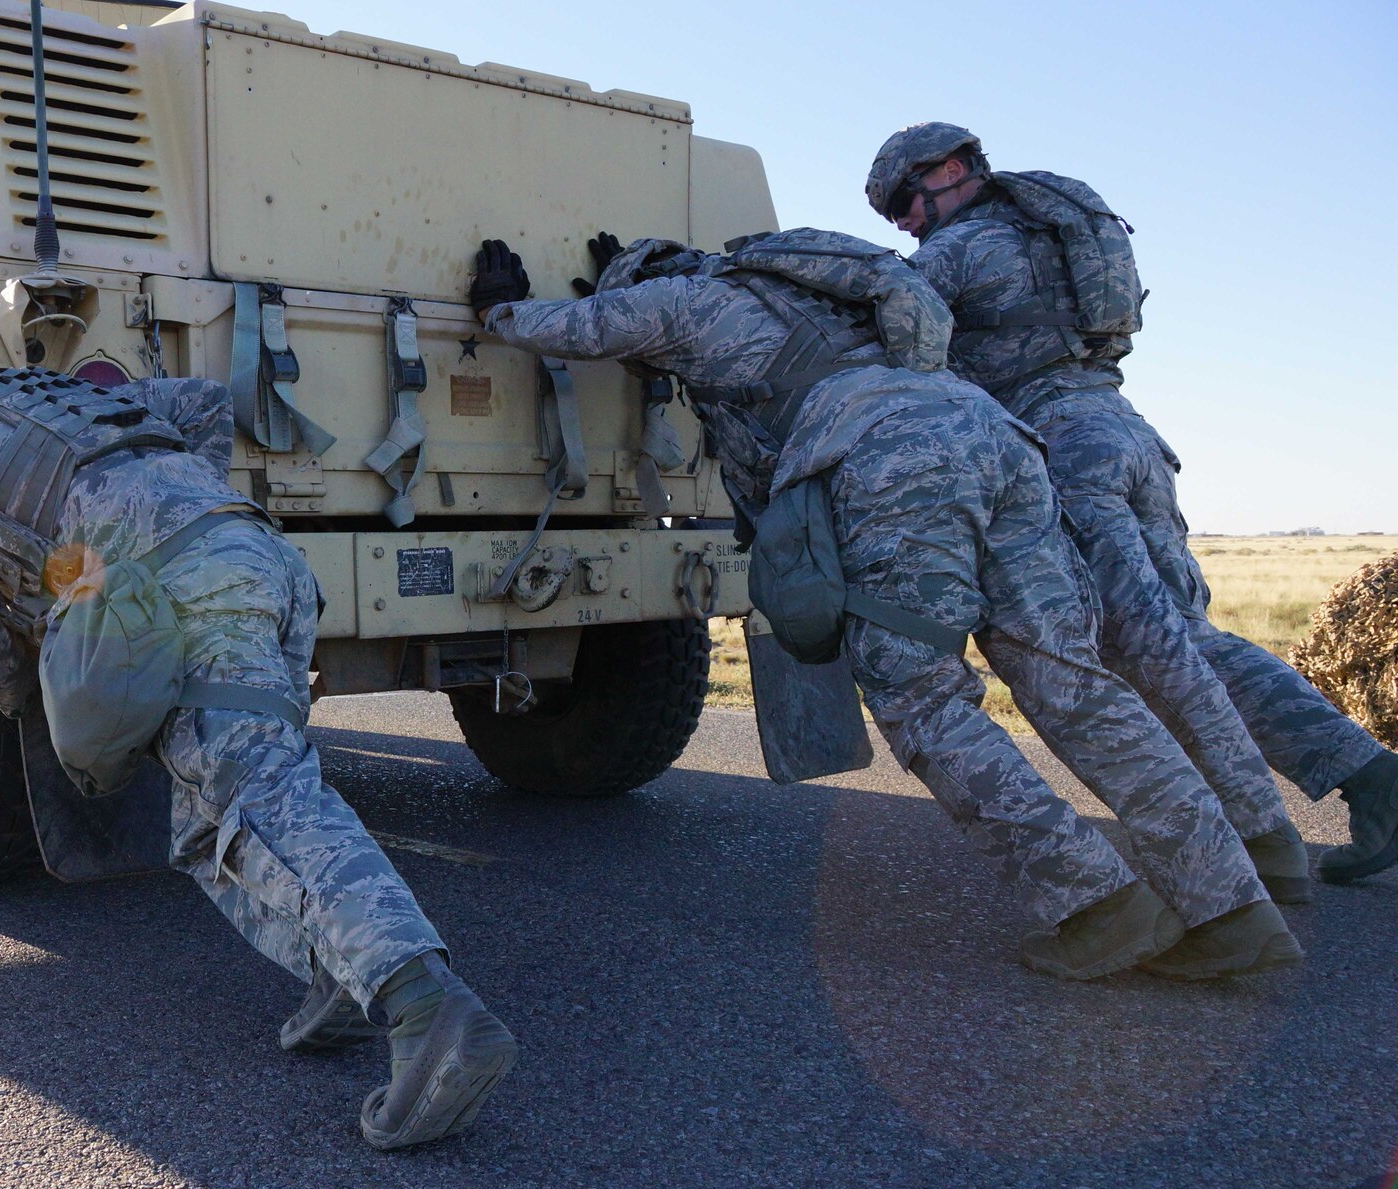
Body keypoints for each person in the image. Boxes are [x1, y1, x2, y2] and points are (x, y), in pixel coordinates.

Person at [470, 230, 1300, 980]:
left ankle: (1098, 905)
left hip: (890, 461)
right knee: (1075, 684)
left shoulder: (682, 302)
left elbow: (574, 331)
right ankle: (1232, 909)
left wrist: (499, 305)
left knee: (924, 700)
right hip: (993, 433)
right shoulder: (815, 285)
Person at [0, 366, 516, 1150]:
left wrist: (26, 689)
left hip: (183, 586)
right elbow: (201, 399)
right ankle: (340, 964)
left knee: (254, 794)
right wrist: (185, 511)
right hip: (260, 556)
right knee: (202, 828)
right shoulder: (31, 395)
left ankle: (425, 1007)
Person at [865, 123, 1398, 891]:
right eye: (892, 216)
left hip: (1064, 449)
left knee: (1150, 649)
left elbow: (882, 322)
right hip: (1125, 433)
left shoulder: (961, 250)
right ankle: (1367, 777)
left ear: (951, 171)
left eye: (906, 202)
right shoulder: (1050, 233)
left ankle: (1272, 832)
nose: (906, 222)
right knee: (1187, 640)